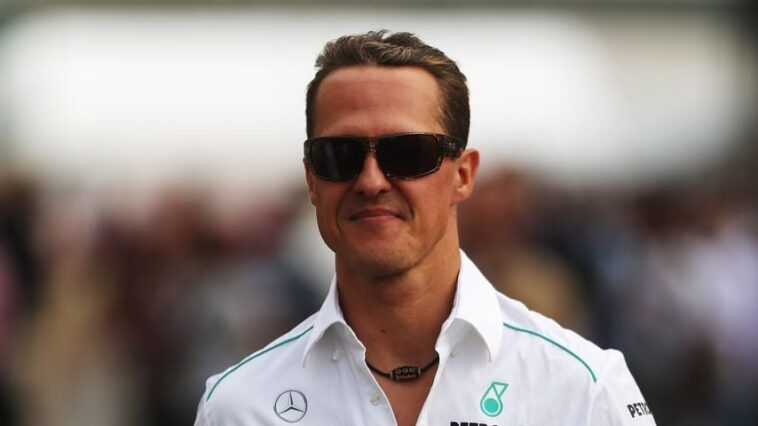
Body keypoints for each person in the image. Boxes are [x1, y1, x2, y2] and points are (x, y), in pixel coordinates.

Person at [194, 30, 655, 426]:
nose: (371, 181)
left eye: (408, 153)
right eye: (339, 155)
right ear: (312, 179)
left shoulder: (583, 389)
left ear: (463, 175)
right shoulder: (238, 406)